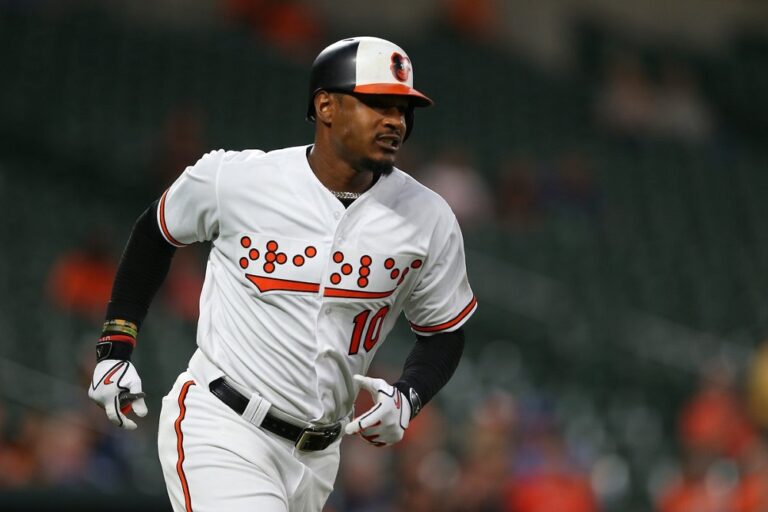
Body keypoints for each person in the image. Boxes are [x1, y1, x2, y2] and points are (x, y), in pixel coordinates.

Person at [88, 36, 476, 512]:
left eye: (403, 109)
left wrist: (408, 396)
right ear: (326, 105)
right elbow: (156, 232)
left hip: (319, 457)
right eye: (378, 104)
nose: (395, 120)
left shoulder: (429, 217)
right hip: (224, 425)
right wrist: (115, 346)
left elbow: (443, 333)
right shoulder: (238, 180)